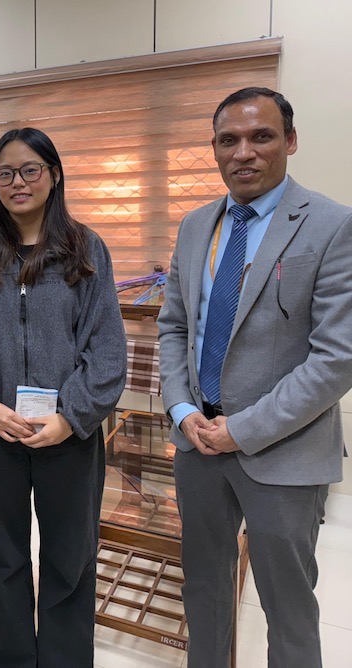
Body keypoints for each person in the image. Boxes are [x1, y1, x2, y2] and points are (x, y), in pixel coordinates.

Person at [158, 87, 352, 668]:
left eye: (261, 136)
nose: (244, 152)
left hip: (283, 451)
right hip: (197, 445)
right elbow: (173, 326)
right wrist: (180, 409)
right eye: (228, 140)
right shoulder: (195, 226)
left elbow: (335, 357)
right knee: (205, 592)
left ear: (289, 142)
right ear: (214, 149)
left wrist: (242, 429)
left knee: (287, 607)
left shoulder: (333, 226)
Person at [0, 127, 126, 667]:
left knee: (71, 558)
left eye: (29, 170)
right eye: (5, 173)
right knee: (1, 558)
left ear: (54, 175)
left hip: (68, 434)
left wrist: (70, 417)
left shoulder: (85, 249)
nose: (17, 182)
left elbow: (108, 350)